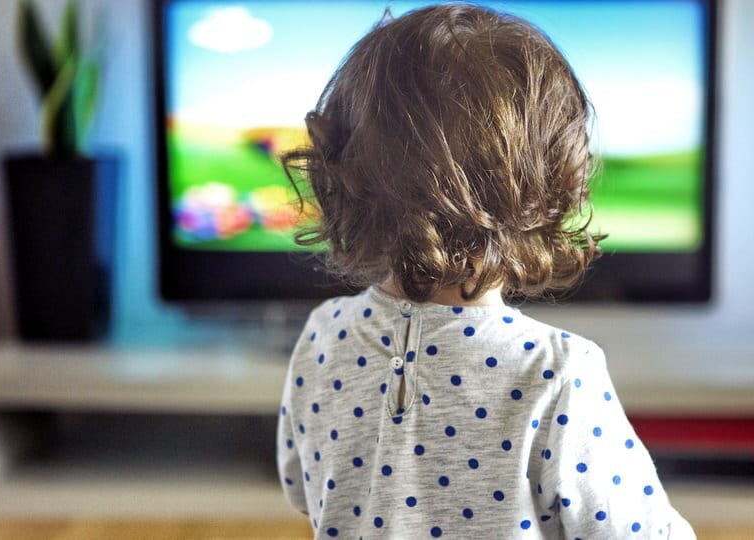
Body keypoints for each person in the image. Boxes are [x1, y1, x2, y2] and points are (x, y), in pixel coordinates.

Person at [276, 3, 696, 538]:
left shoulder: (322, 336)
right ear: (551, 179)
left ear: (343, 172)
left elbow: (299, 487)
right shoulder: (556, 373)